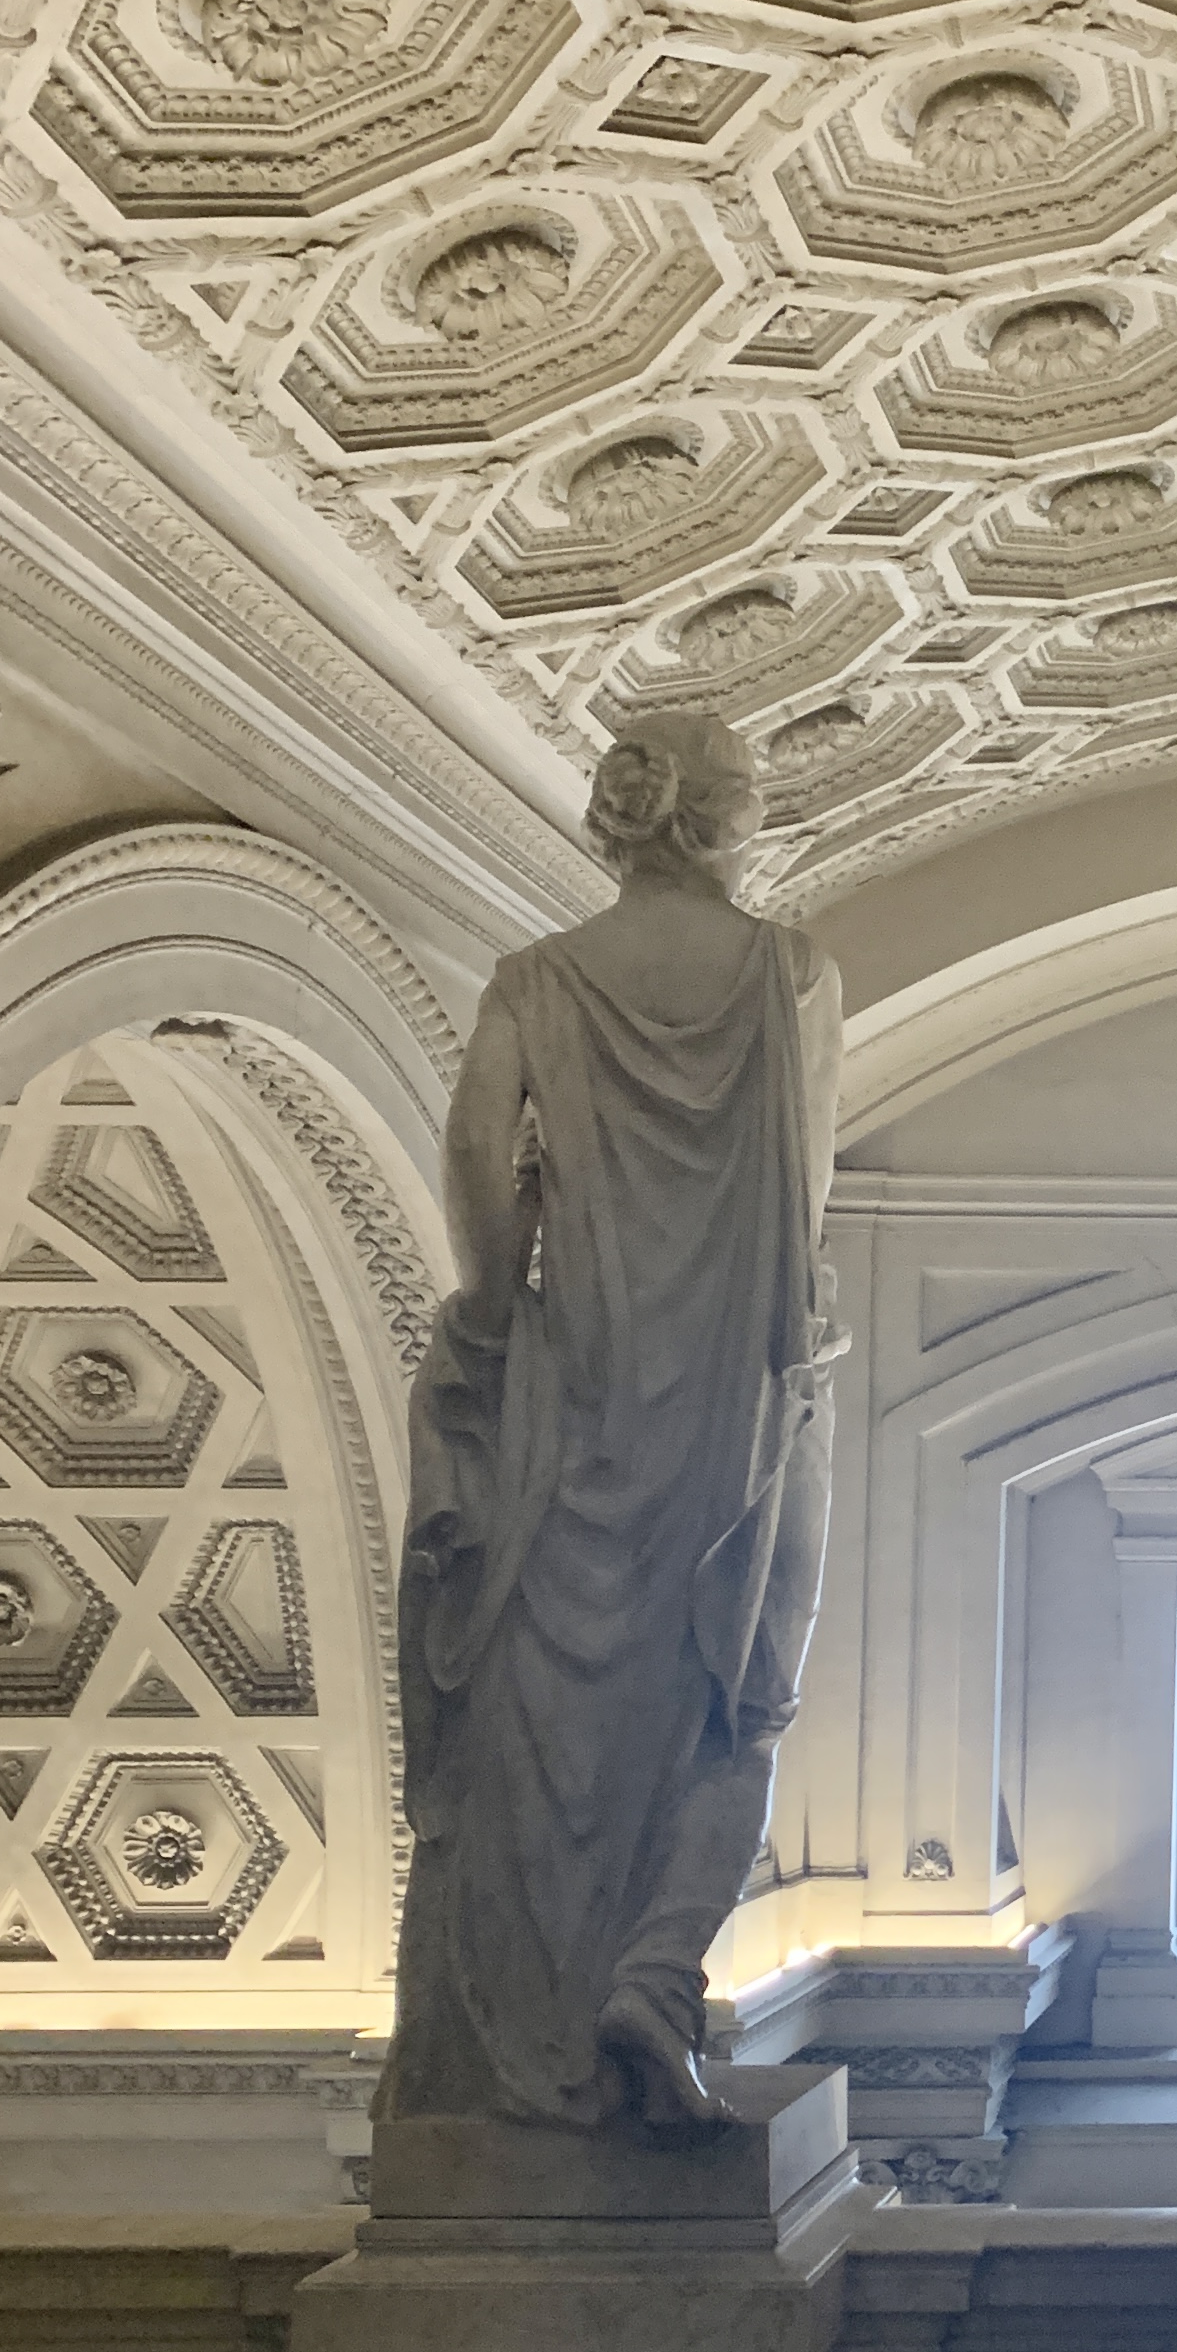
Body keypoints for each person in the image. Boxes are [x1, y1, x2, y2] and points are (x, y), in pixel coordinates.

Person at [381, 710, 844, 2134]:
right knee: (735, 1701)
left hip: (571, 1405)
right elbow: (803, 1197)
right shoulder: (791, 973)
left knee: (545, 1717)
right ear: (720, 816)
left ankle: (533, 2011)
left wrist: (502, 1295)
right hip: (729, 1415)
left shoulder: (536, 977)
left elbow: (472, 1150)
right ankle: (653, 1971)